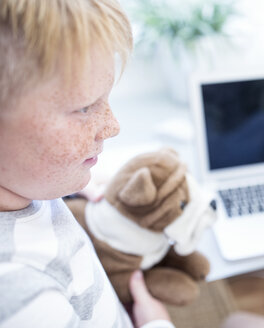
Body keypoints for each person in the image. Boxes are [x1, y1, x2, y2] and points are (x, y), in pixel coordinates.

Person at [0, 1, 172, 327]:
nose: (112, 126)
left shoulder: (24, 184)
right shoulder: (23, 301)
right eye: (84, 108)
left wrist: (70, 185)